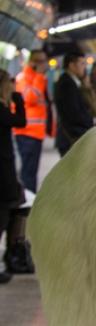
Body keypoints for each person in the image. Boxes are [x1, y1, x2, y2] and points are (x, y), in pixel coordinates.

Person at [0, 69, 26, 283]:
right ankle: (8, 258)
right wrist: (18, 98)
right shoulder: (1, 110)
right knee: (3, 214)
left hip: (4, 167)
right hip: (2, 168)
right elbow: (21, 121)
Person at [13, 49, 51, 193]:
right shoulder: (24, 78)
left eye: (44, 61)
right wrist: (39, 77)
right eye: (40, 61)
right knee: (28, 173)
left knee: (31, 171)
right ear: (32, 62)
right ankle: (27, 201)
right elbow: (31, 98)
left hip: (35, 133)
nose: (43, 65)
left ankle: (29, 198)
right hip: (27, 132)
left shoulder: (34, 77)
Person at [53, 53, 94, 157]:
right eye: (81, 64)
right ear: (71, 65)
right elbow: (73, 113)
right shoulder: (67, 84)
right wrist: (91, 120)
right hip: (70, 138)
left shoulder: (68, 82)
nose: (84, 68)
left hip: (70, 138)